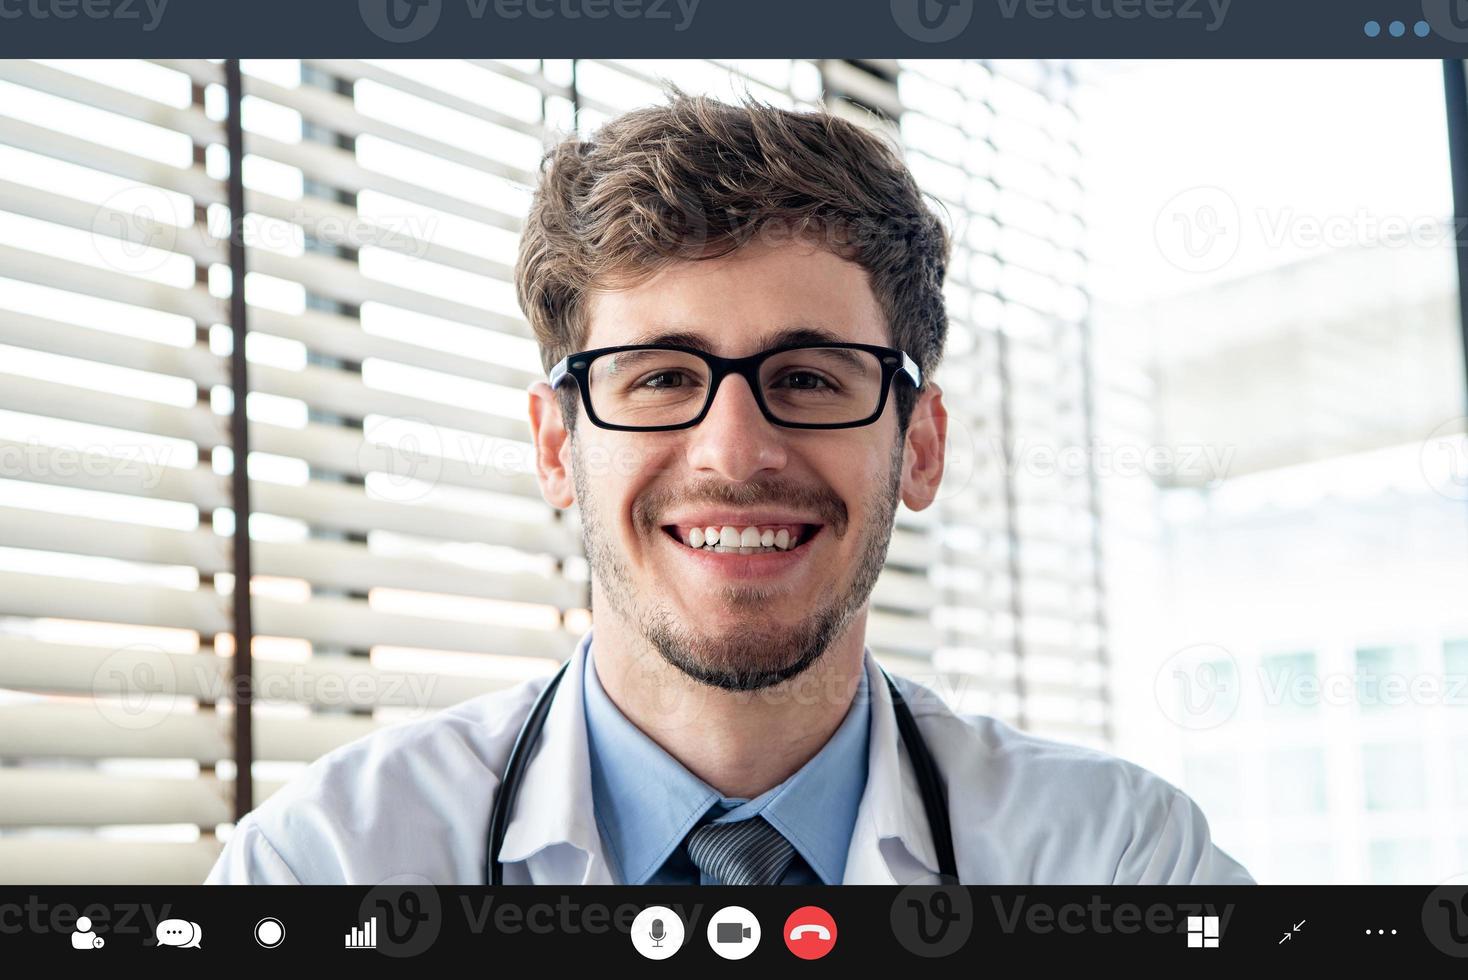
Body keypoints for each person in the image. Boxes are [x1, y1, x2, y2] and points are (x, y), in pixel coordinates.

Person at [206, 89, 1252, 886]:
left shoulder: (1121, 860)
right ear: (556, 447)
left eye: (807, 377)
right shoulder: (326, 865)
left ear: (920, 444)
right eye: (662, 377)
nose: (734, 451)